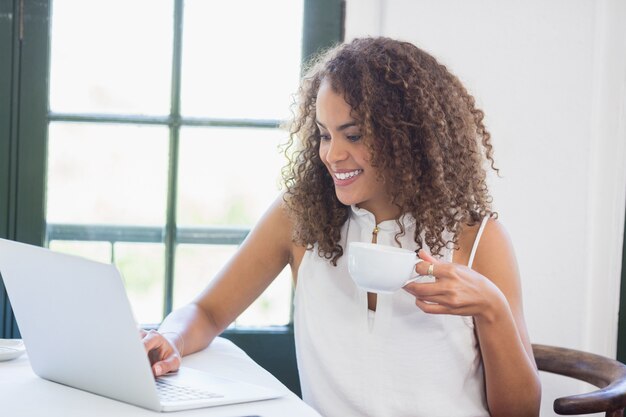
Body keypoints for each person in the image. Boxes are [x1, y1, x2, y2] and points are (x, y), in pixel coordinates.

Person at [142, 37, 541, 417]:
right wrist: (171, 339)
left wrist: (492, 308)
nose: (332, 154)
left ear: (409, 137)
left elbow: (521, 413)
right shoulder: (300, 218)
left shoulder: (478, 240)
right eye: (323, 134)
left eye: (353, 134)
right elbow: (207, 311)